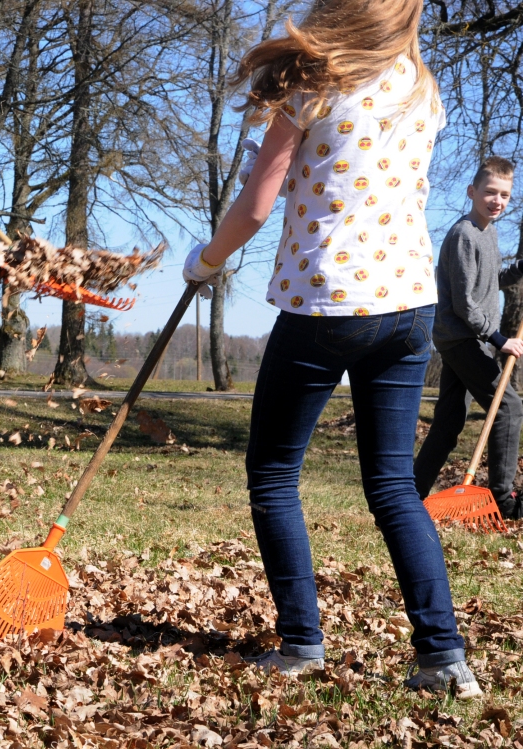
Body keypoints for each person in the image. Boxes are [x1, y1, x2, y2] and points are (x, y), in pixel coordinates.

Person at [182, 0, 481, 698]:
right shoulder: (421, 85)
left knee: (273, 473)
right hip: (409, 304)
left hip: (327, 302)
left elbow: (256, 207)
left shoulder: (314, 81)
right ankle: (443, 658)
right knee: (394, 485)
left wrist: (206, 261)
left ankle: (301, 644)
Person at [414, 158, 523, 520]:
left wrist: (519, 269)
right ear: (472, 191)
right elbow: (464, 304)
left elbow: (490, 282)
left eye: (505, 195)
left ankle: (410, 494)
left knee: (448, 424)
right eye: (490, 192)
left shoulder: (488, 233)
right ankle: (503, 499)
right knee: (509, 407)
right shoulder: (464, 234)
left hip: (469, 338)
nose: (497, 200)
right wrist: (499, 338)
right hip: (463, 338)